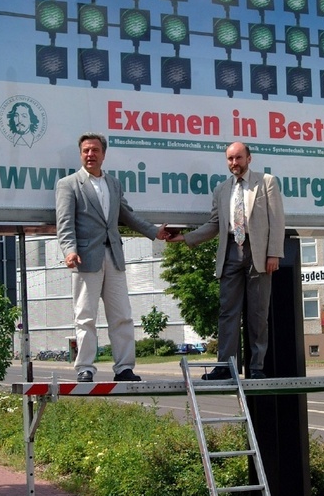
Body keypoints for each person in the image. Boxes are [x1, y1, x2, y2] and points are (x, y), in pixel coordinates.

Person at [56, 132, 170, 382]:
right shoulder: (69, 184)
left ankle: (124, 368)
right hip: (85, 258)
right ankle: (85, 368)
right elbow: (64, 224)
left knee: (122, 315)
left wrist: (153, 231)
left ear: (103, 154)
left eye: (95, 150)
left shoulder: (114, 184)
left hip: (115, 257)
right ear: (80, 154)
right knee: (85, 316)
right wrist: (69, 250)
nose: (90, 155)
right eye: (86, 150)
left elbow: (127, 215)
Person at [167, 142, 285, 380]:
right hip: (230, 250)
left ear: (249, 159)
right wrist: (186, 238)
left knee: (258, 313)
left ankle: (256, 368)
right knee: (227, 312)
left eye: (239, 158)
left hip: (258, 252)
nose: (234, 163)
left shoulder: (266, 182)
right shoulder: (221, 190)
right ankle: (225, 367)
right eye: (230, 159)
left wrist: (274, 253)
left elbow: (277, 219)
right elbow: (214, 225)